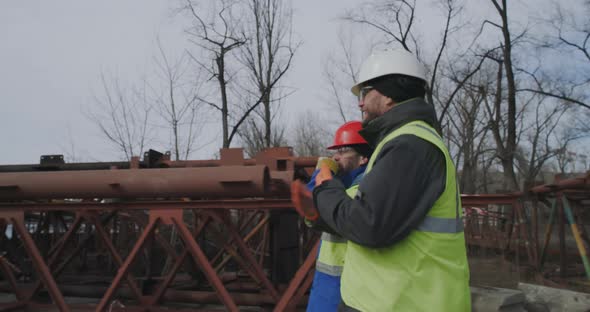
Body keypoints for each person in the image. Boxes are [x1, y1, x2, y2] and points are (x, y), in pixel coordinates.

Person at [312, 50, 471, 311]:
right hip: (388, 299)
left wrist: (326, 185)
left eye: (365, 93)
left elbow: (367, 223)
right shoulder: (400, 142)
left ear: (388, 95)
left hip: (405, 302)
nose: (360, 104)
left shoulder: (410, 145)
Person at [304, 121, 373, 312]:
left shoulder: (358, 190)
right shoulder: (345, 186)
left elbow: (311, 207)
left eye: (343, 151)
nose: (335, 157)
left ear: (363, 159)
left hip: (340, 293)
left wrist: (321, 174)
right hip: (332, 288)